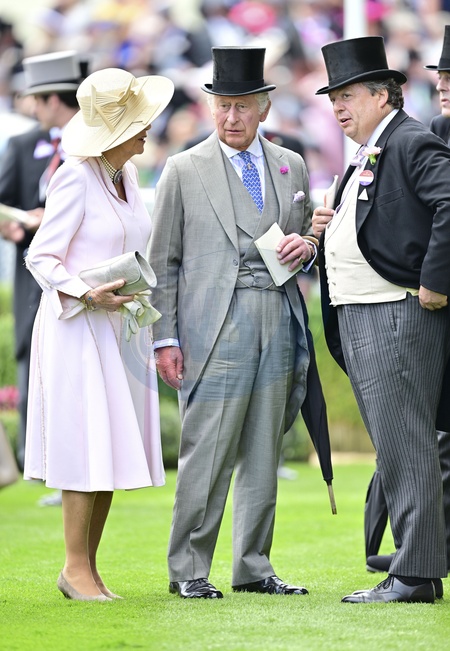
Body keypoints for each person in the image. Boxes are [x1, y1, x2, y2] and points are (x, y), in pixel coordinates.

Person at [149, 46, 318, 599]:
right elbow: (162, 262)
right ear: (211, 107)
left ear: (264, 108)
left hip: (279, 316)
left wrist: (307, 247)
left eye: (242, 106)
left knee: (265, 449)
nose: (231, 117)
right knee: (208, 450)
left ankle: (253, 567)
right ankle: (188, 571)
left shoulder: (291, 164)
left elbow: (305, 240)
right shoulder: (183, 168)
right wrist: (165, 338)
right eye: (223, 105)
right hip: (213, 326)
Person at [23, 67, 174, 601]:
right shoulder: (75, 176)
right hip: (77, 331)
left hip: (118, 328)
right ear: (115, 133)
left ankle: (88, 568)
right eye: (139, 122)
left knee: (109, 447)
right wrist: (86, 293)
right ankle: (73, 567)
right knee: (84, 445)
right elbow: (41, 256)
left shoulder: (126, 175)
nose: (148, 128)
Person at [312, 36, 450, 604]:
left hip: (395, 313)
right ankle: (416, 565)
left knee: (406, 445)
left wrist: (437, 280)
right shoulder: (374, 147)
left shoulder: (409, 140)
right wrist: (329, 226)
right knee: (399, 446)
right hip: (369, 314)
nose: (338, 107)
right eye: (333, 99)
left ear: (382, 95)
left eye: (347, 96)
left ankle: (414, 575)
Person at [361, 25, 450, 589]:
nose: (443, 84)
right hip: (437, 309)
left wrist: (433, 279)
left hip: (432, 298)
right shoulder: (437, 130)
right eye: (441, 75)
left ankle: (420, 559)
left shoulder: (417, 138)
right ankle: (423, 554)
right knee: (435, 438)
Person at [0, 51, 85, 480]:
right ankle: (34, 459)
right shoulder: (21, 145)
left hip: (80, 272)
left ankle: (77, 457)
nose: (31, 107)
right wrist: (15, 224)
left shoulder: (91, 143)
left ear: (52, 99)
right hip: (31, 273)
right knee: (28, 353)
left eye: (35, 99)